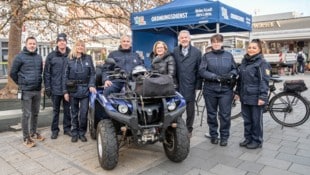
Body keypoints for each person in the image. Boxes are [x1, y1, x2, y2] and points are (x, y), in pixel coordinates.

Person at [199, 34, 238, 146]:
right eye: (214, 42)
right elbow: (202, 71)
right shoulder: (206, 56)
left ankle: (224, 136)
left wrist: (230, 75)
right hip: (210, 89)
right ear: (211, 43)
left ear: (222, 43)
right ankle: (214, 135)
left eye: (218, 41)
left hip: (226, 90)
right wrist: (215, 77)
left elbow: (235, 69)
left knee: (225, 115)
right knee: (211, 114)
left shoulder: (229, 55)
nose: (216, 44)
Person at [235, 39, 271, 149]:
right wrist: (237, 92)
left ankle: (257, 141)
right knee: (247, 119)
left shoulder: (262, 63)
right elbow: (240, 80)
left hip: (256, 97)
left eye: (254, 48)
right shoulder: (245, 62)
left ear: (259, 50)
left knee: (256, 120)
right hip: (245, 96)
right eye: (249, 47)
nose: (251, 49)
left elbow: (264, 81)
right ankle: (248, 138)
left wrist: (262, 97)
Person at [10, 36, 45, 148]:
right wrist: (21, 83)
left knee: (35, 113)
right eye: (30, 43)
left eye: (34, 44)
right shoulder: (19, 57)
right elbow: (13, 73)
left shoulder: (39, 57)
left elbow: (40, 72)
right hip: (26, 91)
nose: (32, 45)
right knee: (26, 114)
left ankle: (33, 132)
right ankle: (26, 138)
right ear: (26, 44)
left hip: (37, 90)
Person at [63, 40, 96, 143]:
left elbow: (92, 74)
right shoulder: (69, 59)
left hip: (85, 89)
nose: (80, 47)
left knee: (83, 113)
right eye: (78, 45)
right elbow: (65, 76)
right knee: (73, 113)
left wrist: (91, 85)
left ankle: (82, 133)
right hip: (73, 89)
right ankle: (74, 133)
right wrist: (65, 91)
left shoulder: (88, 58)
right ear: (75, 47)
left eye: (82, 45)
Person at [173, 30, 202, 138]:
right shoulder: (175, 51)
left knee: (190, 111)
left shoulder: (197, 52)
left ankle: (189, 129)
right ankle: (177, 128)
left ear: (189, 39)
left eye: (186, 37)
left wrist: (198, 86)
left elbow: (199, 70)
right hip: (178, 86)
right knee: (177, 109)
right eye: (182, 38)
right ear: (179, 39)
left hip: (190, 86)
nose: (184, 39)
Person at [44, 33, 71, 139]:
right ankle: (54, 130)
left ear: (66, 42)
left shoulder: (71, 55)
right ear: (57, 43)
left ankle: (67, 129)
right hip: (55, 89)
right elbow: (46, 73)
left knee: (67, 110)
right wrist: (47, 87)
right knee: (55, 111)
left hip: (68, 90)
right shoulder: (51, 56)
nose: (62, 43)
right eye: (60, 41)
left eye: (63, 41)